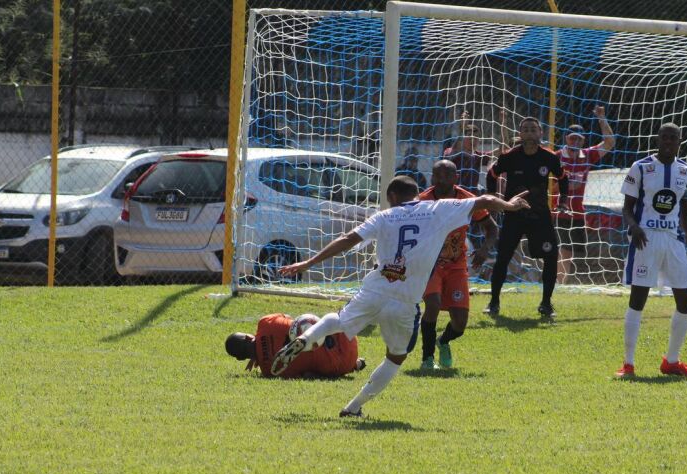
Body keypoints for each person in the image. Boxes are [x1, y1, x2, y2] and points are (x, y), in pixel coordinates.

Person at [269, 175, 531, 417]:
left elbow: (348, 238)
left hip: (375, 289)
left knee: (338, 320)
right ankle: (353, 407)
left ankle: (307, 337)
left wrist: (309, 263)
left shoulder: (384, 216)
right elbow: (485, 200)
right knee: (396, 357)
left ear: (392, 197)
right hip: (405, 301)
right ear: (416, 195)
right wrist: (509, 205)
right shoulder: (437, 209)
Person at [615, 123, 687, 379]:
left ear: (679, 141)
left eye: (672, 138)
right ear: (657, 139)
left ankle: (671, 362)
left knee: (686, 301)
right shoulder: (641, 167)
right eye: (664, 137)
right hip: (646, 240)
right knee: (638, 299)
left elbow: (685, 209)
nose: (668, 141)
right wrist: (634, 227)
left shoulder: (686, 171)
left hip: (674, 241)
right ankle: (628, 365)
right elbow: (627, 207)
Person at [483, 117, 569, 319]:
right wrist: (492, 197)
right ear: (520, 134)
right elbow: (492, 175)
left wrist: (563, 201)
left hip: (540, 216)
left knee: (550, 257)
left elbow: (563, 178)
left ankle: (546, 304)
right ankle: (494, 302)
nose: (530, 133)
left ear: (540, 133)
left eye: (534, 129)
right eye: (526, 130)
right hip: (514, 215)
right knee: (503, 258)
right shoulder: (509, 157)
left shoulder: (549, 157)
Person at [418, 160, 499, 370]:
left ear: (456, 178)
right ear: (432, 178)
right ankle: (427, 359)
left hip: (456, 264)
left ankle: (443, 341)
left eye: (447, 175)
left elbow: (492, 229)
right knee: (432, 305)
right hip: (431, 264)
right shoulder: (423, 201)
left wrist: (484, 249)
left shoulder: (468, 199)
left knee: (460, 323)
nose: (441, 179)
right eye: (437, 175)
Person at [553, 106, 616, 284]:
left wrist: (601, 118)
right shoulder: (556, 157)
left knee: (570, 251)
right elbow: (548, 187)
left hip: (578, 212)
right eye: (572, 138)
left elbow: (610, 143)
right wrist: (564, 186)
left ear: (583, 141)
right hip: (557, 210)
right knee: (559, 249)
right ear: (566, 138)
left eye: (579, 139)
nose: (575, 142)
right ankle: (556, 282)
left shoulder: (587, 156)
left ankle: (561, 283)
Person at [224, 313, 365, 379]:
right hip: (346, 334)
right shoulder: (265, 323)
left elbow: (303, 374)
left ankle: (355, 364)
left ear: (241, 359)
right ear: (248, 337)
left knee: (310, 370)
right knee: (308, 322)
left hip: (342, 365)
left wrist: (259, 355)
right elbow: (293, 318)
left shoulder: (269, 371)